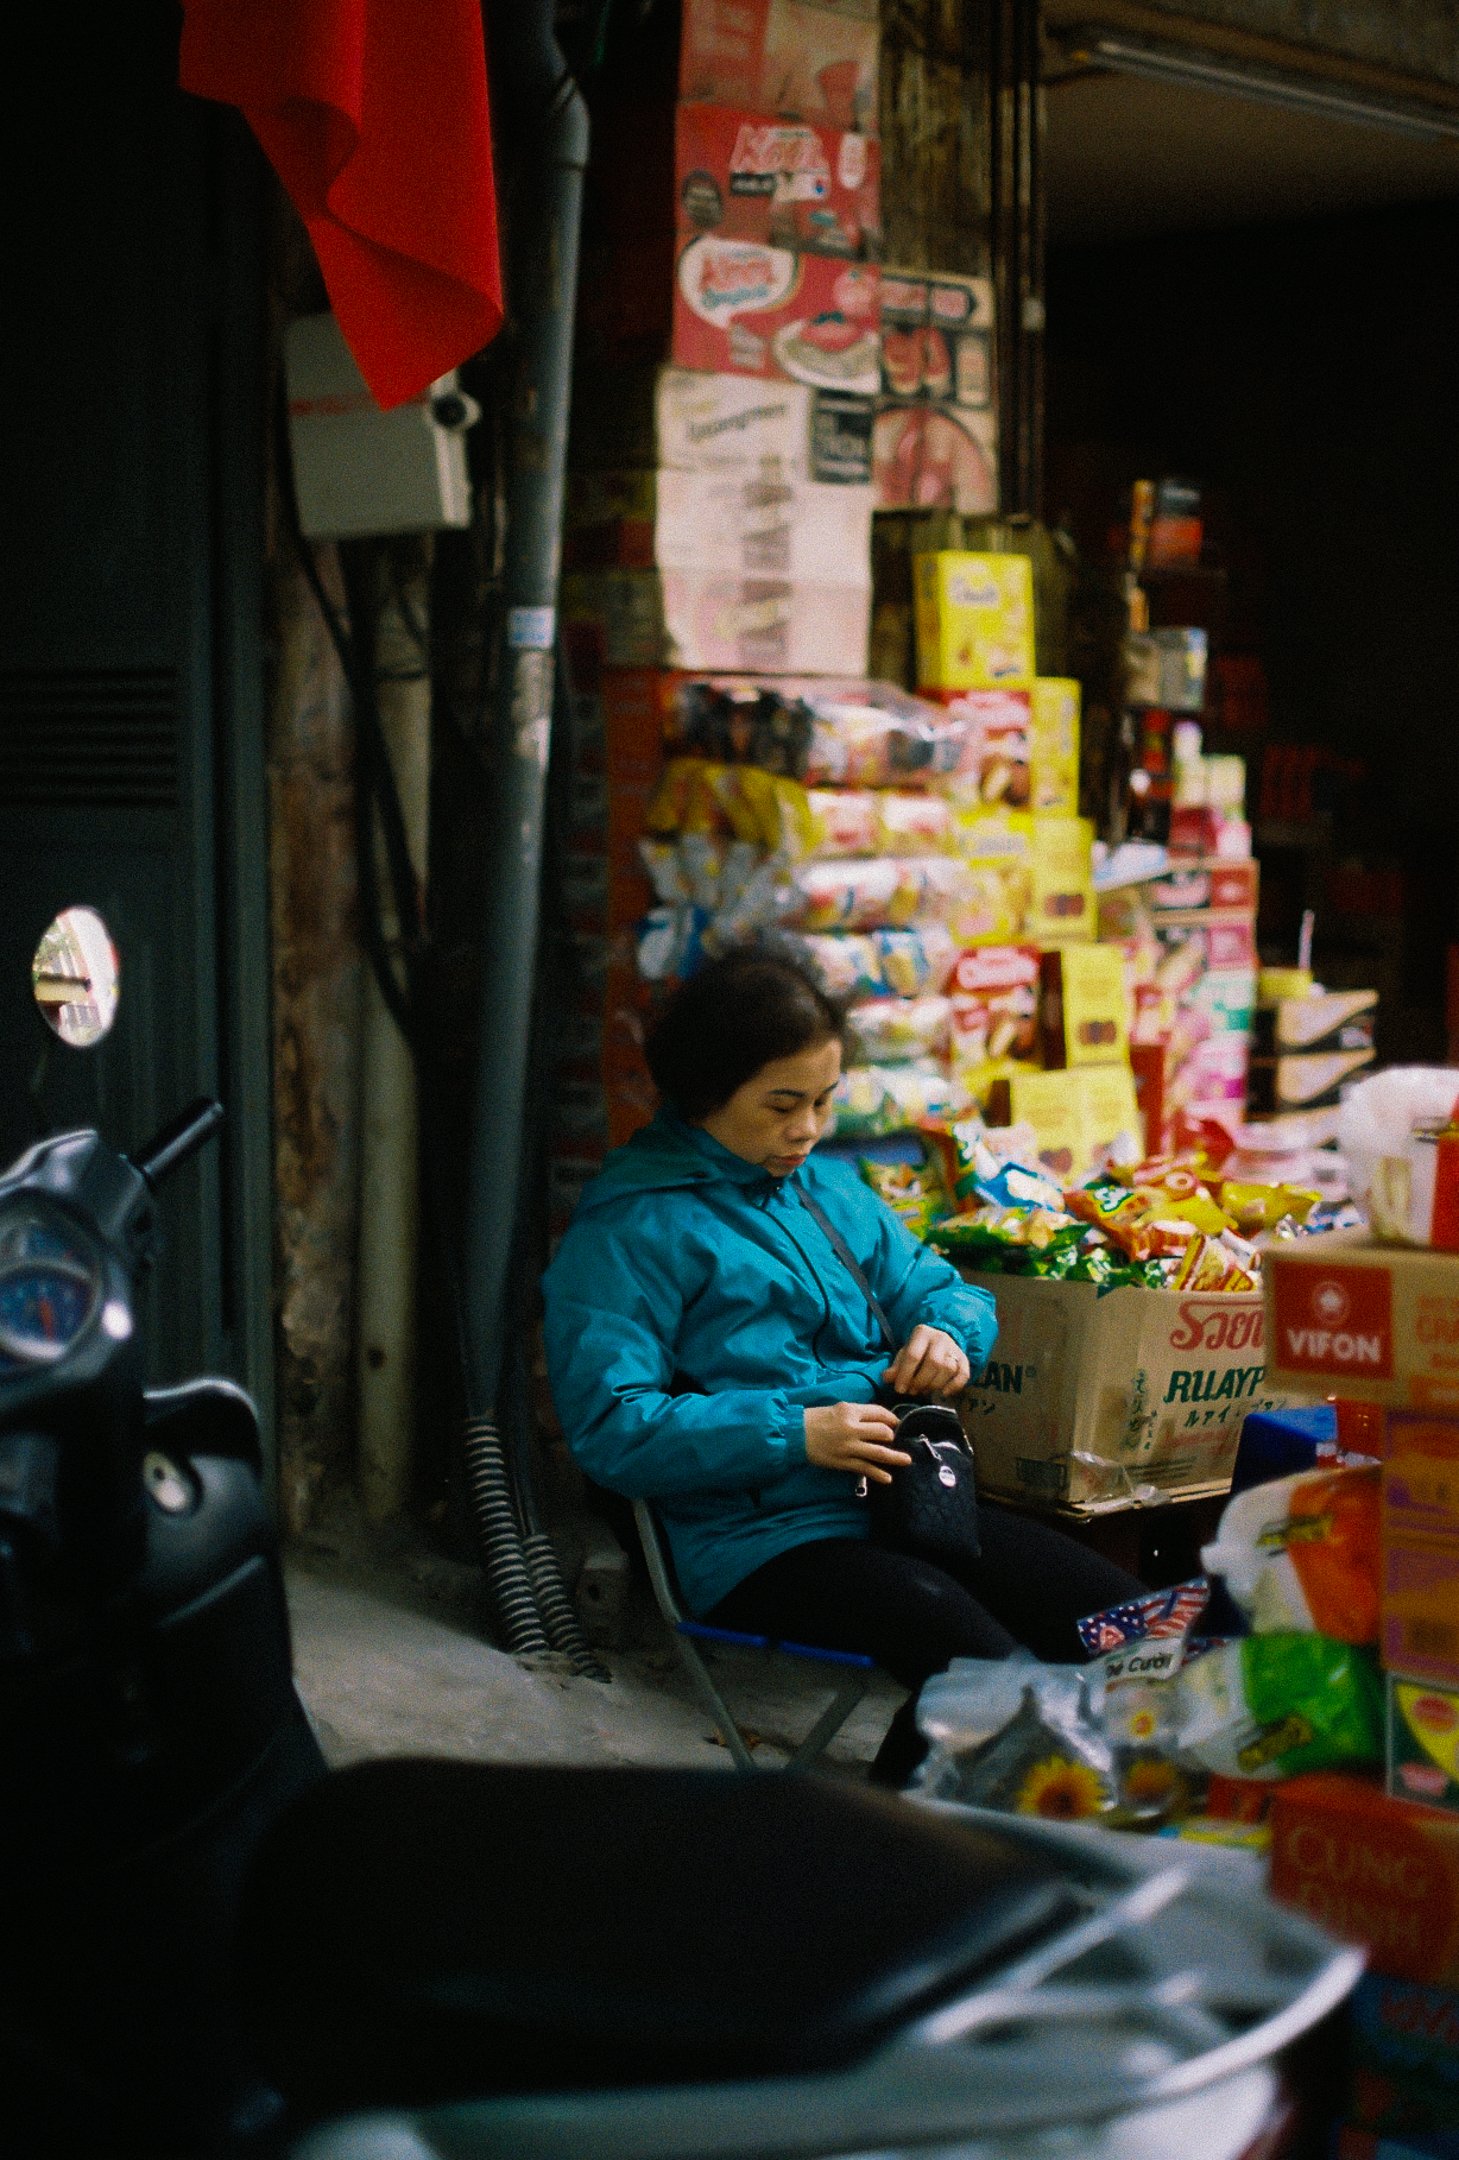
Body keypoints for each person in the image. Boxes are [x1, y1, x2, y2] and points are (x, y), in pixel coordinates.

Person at [542, 946, 1144, 1781]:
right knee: (991, 1685)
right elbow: (612, 1429)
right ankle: (898, 1863)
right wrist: (794, 1433)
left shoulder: (828, 1191)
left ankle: (940, 1822)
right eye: (781, 1105)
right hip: (758, 1541)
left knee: (1131, 1627)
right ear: (704, 1093)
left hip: (899, 1500)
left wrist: (946, 1335)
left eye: (823, 1101)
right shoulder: (631, 1231)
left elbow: (943, 1289)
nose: (808, 1129)